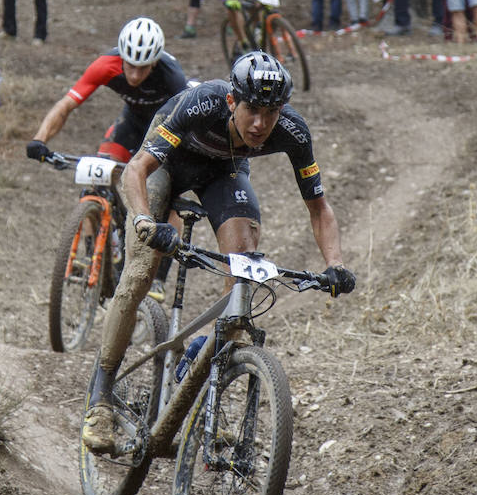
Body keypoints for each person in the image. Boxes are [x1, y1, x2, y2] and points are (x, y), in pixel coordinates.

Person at [82, 52, 354, 453]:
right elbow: (137, 170)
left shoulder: (293, 131)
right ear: (232, 102)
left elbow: (319, 206)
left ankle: (200, 375)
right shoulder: (203, 103)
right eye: (252, 110)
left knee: (244, 273)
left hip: (224, 173)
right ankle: (100, 400)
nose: (261, 124)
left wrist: (335, 265)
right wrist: (143, 221)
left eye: (271, 112)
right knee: (140, 274)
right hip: (165, 166)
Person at [26, 18, 187, 166]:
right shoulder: (105, 66)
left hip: (166, 128)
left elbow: (188, 120)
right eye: (131, 65)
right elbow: (66, 105)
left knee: (153, 184)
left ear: (154, 62)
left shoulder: (172, 76)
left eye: (143, 67)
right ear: (123, 58)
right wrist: (39, 140)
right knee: (101, 176)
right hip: (132, 122)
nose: (135, 75)